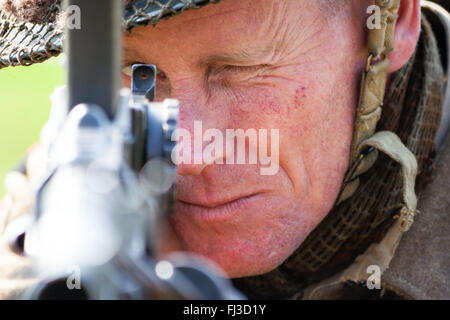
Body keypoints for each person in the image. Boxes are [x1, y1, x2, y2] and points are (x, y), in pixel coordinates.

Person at [0, 0, 448, 299]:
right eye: (137, 73)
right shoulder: (59, 215)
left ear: (390, 24)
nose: (190, 155)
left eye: (240, 67)